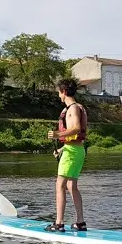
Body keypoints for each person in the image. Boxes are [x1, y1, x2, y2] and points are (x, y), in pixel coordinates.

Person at [46, 78, 88, 232]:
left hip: (72, 152)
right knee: (71, 186)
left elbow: (76, 128)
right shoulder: (77, 107)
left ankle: (59, 223)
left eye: (59, 92)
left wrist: (57, 134)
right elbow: (74, 138)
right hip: (75, 150)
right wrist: (61, 149)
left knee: (60, 186)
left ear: (63, 91)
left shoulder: (72, 108)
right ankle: (80, 222)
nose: (58, 96)